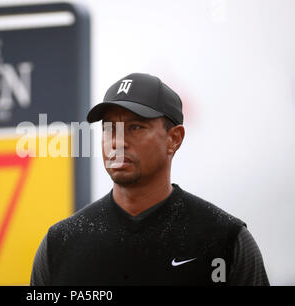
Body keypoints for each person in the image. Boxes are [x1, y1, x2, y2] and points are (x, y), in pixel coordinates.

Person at [30, 73, 269, 286]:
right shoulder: (60, 244)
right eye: (110, 128)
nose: (118, 141)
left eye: (135, 127)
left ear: (174, 139)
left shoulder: (224, 239)